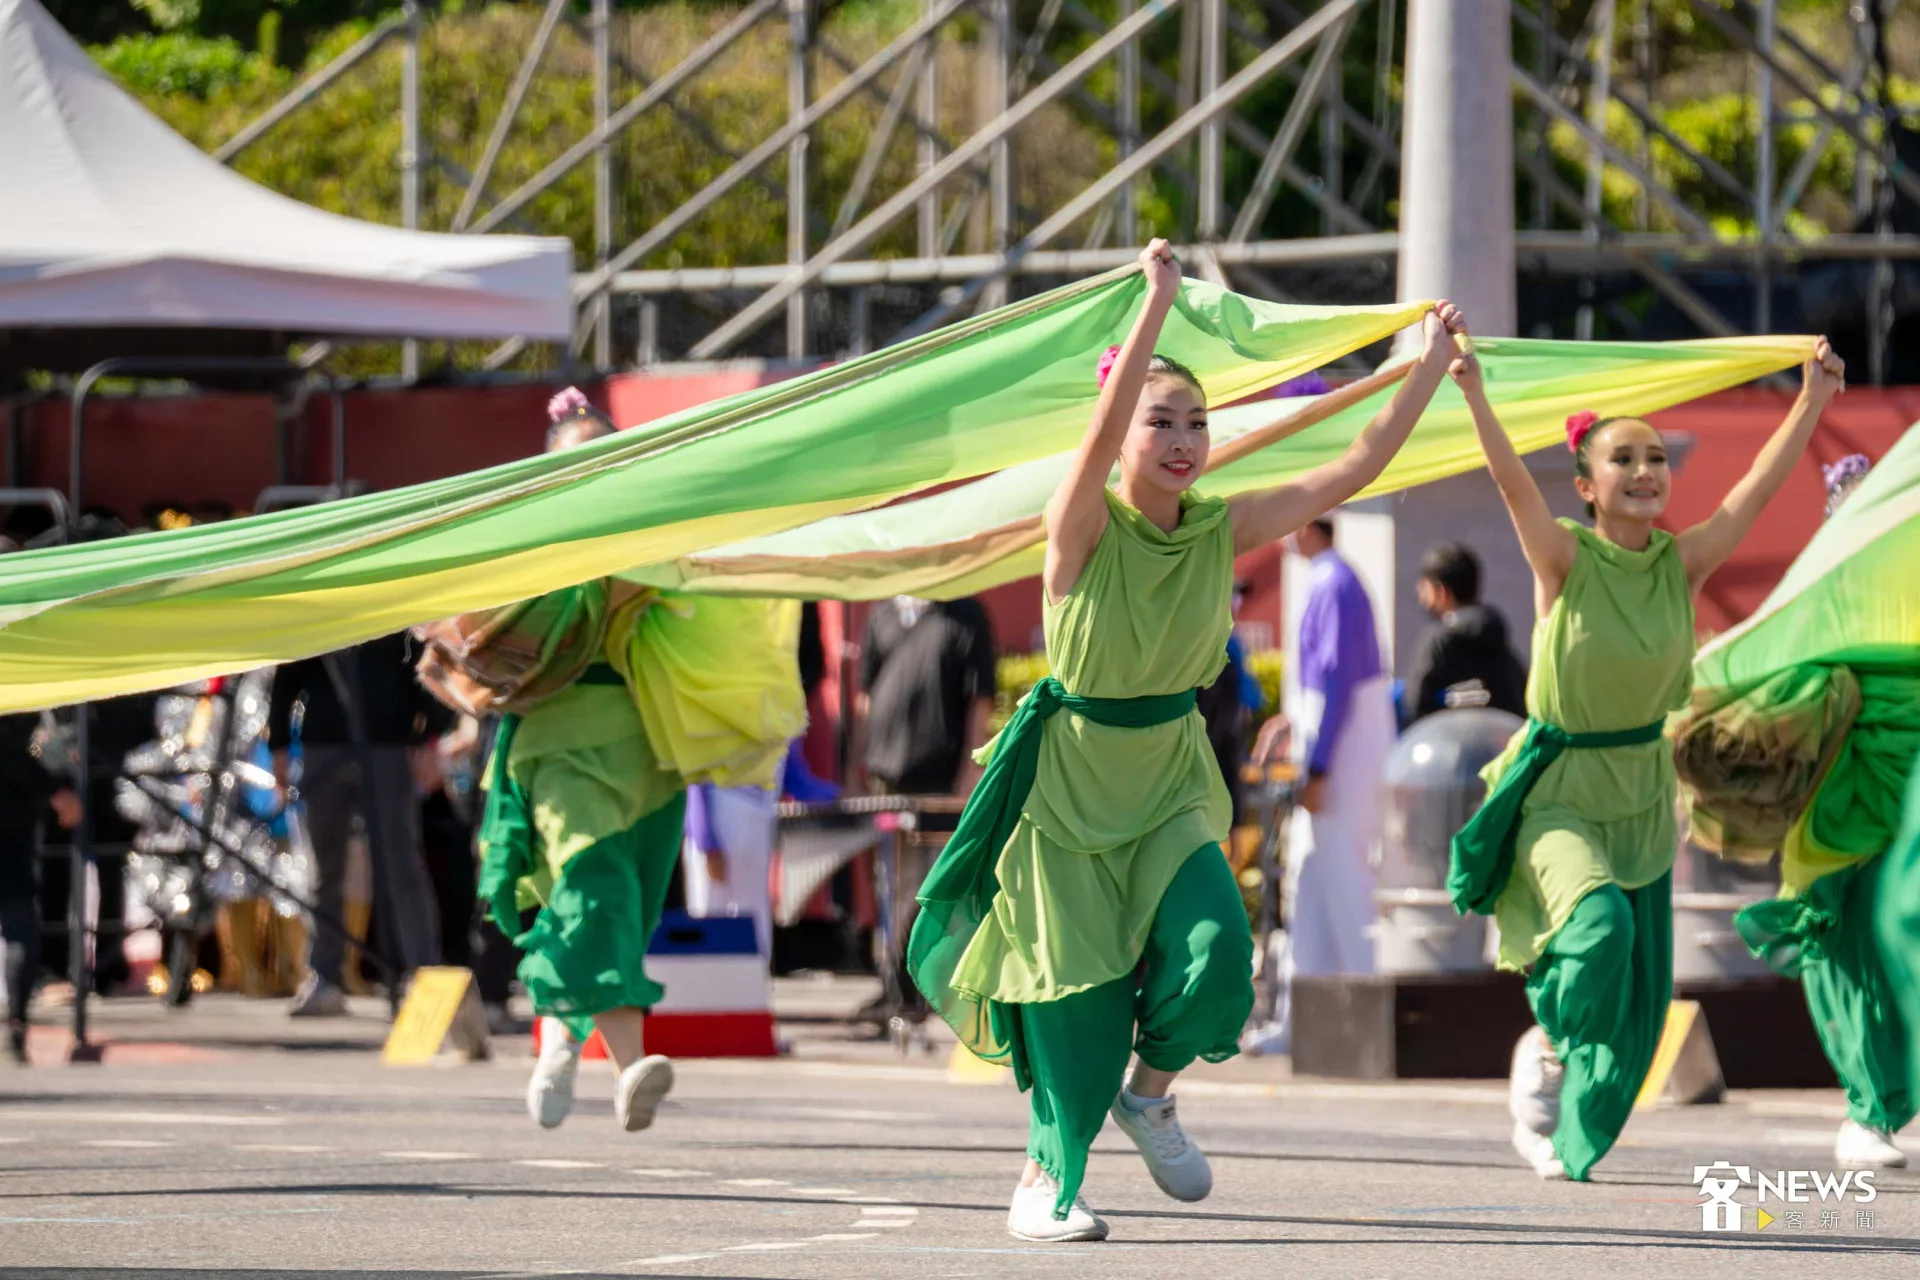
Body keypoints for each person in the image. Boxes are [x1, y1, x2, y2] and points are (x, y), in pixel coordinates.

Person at [908, 240, 1469, 1243]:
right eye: (1158, 420)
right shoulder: (1079, 523)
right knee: (1073, 1007)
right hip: (1071, 786)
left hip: (1169, 777)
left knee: (1220, 959)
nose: (1181, 438)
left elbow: (1357, 464)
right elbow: (1094, 442)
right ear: (1121, 430)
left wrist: (1426, 365)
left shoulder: (1221, 524)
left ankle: (1152, 1092)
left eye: (1196, 423)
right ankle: (1049, 1178)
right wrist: (1157, 306)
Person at [1446, 328, 1847, 1182]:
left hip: (1639, 791)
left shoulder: (1683, 562)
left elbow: (1753, 489)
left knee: (1633, 994)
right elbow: (1511, 484)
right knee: (1597, 930)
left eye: (1656, 458)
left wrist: (1811, 399)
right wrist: (1475, 394)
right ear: (1587, 486)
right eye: (1622, 459)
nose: (1643, 471)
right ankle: (1547, 1045)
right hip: (1559, 786)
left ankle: (1555, 1056)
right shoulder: (1562, 557)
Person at [460, 388, 802, 1134]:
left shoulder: (651, 539)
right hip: (559, 740)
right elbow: (478, 641)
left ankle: (555, 1049)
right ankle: (629, 1066)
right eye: (575, 459)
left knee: (616, 909)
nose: (590, 471)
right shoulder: (525, 547)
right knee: (595, 891)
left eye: (602, 457)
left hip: (647, 746)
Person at [1679, 451, 1919, 1169]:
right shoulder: (1822, 585)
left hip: (1910, 764)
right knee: (1845, 934)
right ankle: (1868, 1108)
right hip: (1847, 780)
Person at [270, 632, 449, 1015]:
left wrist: (430, 737)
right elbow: (288, 670)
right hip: (324, 740)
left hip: (388, 741)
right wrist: (279, 744)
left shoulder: (398, 601)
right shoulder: (320, 603)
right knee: (324, 865)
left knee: (400, 862)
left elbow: (425, 662)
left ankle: (422, 974)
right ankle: (324, 977)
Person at [0, 712, 81, 1061]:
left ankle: (17, 1022)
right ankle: (16, 1022)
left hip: (14, 826)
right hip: (9, 826)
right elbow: (7, 749)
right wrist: (50, 788)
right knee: (20, 928)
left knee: (20, 927)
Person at [859, 595, 997, 797]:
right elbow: (865, 697)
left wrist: (972, 771)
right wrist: (854, 771)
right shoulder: (881, 613)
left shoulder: (966, 614)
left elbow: (981, 698)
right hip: (882, 779)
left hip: (940, 783)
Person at [1403, 542, 1527, 724]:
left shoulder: (1437, 642)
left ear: (1441, 592)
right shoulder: (1499, 642)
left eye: (1424, 589)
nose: (1420, 596)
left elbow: (1413, 707)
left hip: (1448, 749)